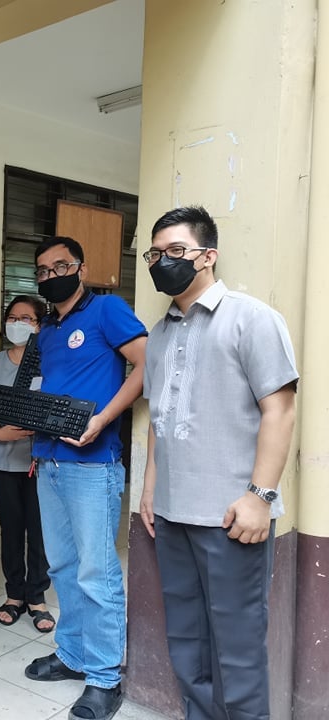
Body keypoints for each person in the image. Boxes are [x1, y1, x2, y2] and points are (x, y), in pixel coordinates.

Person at [140, 206, 297, 720]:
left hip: (232, 517)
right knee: (186, 641)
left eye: (176, 251)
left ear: (207, 256)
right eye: (155, 254)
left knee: (238, 648)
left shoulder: (252, 318)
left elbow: (280, 410)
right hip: (171, 513)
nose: (163, 261)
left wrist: (260, 497)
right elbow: (159, 419)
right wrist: (150, 489)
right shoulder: (159, 333)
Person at [21, 237, 147, 720]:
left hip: (93, 465)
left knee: (97, 571)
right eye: (43, 270)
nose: (51, 276)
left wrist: (103, 419)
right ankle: (73, 654)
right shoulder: (47, 330)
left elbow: (147, 364)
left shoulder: (107, 310)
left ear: (81, 268)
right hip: (48, 461)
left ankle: (104, 676)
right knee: (62, 566)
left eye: (61, 266)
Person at [0, 295, 54, 633]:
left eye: (26, 318)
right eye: (13, 317)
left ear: (40, 325)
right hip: (4, 460)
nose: (18, 324)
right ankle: (14, 594)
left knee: (39, 531)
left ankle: (36, 596)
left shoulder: (50, 362)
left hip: (41, 460)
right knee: (11, 530)